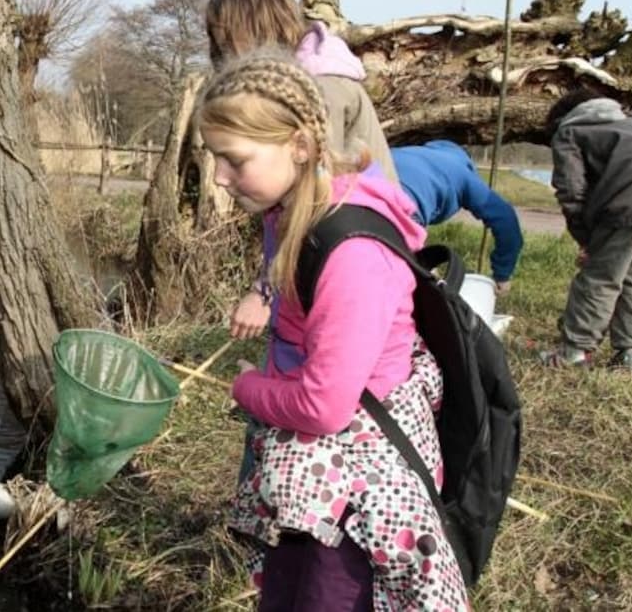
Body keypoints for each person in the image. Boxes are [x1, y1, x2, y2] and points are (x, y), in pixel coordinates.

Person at [197, 51, 468, 610]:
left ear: (299, 145)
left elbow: (324, 405)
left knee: (332, 595)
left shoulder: (351, 254)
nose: (220, 178)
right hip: (321, 480)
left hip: (357, 498)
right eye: (214, 158)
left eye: (234, 159)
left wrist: (247, 386)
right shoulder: (292, 212)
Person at [205, 0, 397, 185]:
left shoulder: (321, 86)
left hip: (356, 213)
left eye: (228, 44)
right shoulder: (300, 82)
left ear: (257, 28)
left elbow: (317, 185)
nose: (225, 57)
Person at [540, 90, 632, 370]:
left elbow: (571, 191)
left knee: (599, 277)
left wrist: (588, 242)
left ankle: (574, 352)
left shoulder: (569, 132)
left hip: (630, 201)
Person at [391, 140, 523, 292]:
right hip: (399, 208)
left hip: (363, 189)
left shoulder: (409, 152)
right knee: (416, 287)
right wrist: (503, 274)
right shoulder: (463, 174)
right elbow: (506, 219)